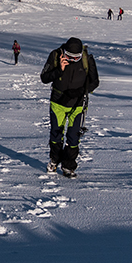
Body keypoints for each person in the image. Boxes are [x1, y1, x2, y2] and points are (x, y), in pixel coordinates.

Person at [40, 37, 99, 178]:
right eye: (69, 56)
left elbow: (95, 82)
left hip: (77, 105)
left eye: (76, 57)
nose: (72, 59)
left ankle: (68, 166)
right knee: (56, 134)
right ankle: (54, 160)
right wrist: (59, 70)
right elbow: (44, 78)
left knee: (73, 137)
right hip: (58, 103)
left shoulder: (87, 59)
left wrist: (79, 92)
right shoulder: (55, 55)